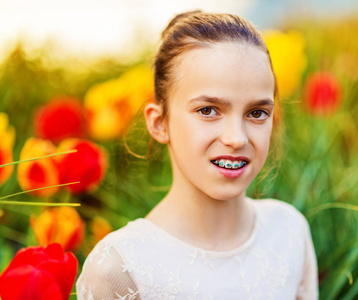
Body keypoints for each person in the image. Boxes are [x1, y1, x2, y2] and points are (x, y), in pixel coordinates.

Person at [76, 10, 318, 300]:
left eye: (257, 113)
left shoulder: (288, 232)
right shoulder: (119, 269)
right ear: (159, 123)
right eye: (208, 110)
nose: (236, 138)